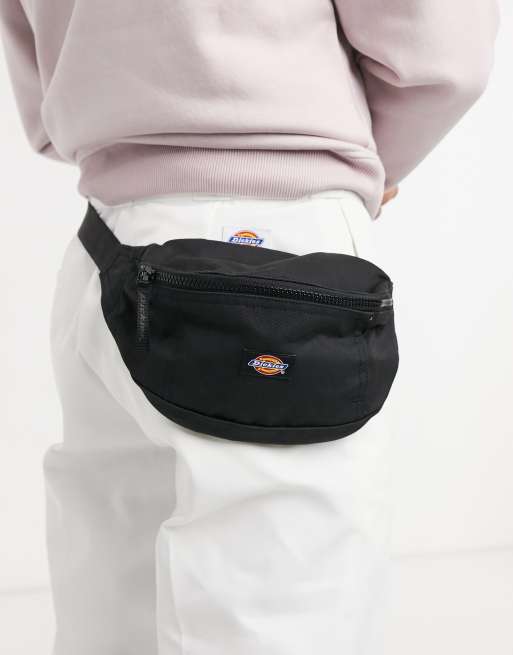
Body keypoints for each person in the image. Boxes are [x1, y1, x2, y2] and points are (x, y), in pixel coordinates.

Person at [0, 2, 498, 654]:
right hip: (278, 253)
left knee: (111, 617)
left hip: (109, 240)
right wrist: (365, 163)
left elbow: (33, 52)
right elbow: (442, 48)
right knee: (280, 626)